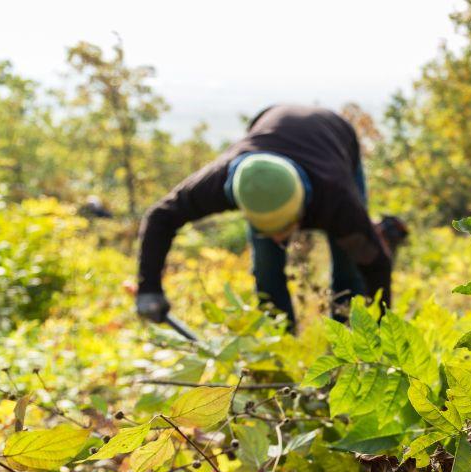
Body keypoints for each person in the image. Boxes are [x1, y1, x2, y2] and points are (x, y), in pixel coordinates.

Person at [136, 104, 402, 330]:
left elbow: (376, 264)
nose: (278, 239)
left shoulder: (337, 199)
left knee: (349, 269)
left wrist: (380, 332)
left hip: (336, 137)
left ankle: (349, 348)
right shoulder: (224, 182)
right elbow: (161, 216)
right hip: (269, 123)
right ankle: (281, 348)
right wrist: (149, 288)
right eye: (267, 230)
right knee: (267, 271)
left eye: (285, 229)